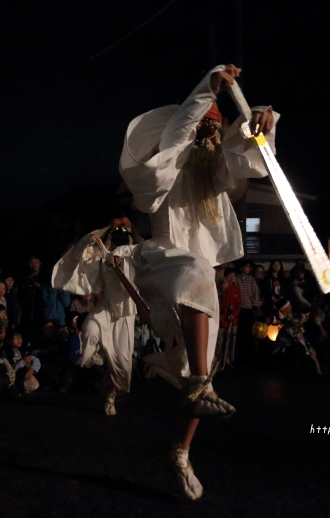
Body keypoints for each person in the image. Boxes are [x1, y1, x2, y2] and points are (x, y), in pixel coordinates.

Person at [119, 64, 276, 499]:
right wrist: (207, 89)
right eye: (203, 123)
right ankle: (183, 374)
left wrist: (259, 119)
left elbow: (242, 156)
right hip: (164, 262)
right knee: (193, 270)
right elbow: (181, 130)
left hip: (201, 287)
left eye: (216, 126)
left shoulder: (217, 179)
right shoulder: (163, 169)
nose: (210, 130)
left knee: (198, 380)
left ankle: (180, 453)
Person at [52, 220, 138, 415]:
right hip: (105, 308)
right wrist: (104, 229)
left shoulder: (135, 254)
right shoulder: (101, 255)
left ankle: (111, 397)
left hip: (124, 314)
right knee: (90, 329)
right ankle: (96, 354)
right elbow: (79, 250)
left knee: (122, 361)